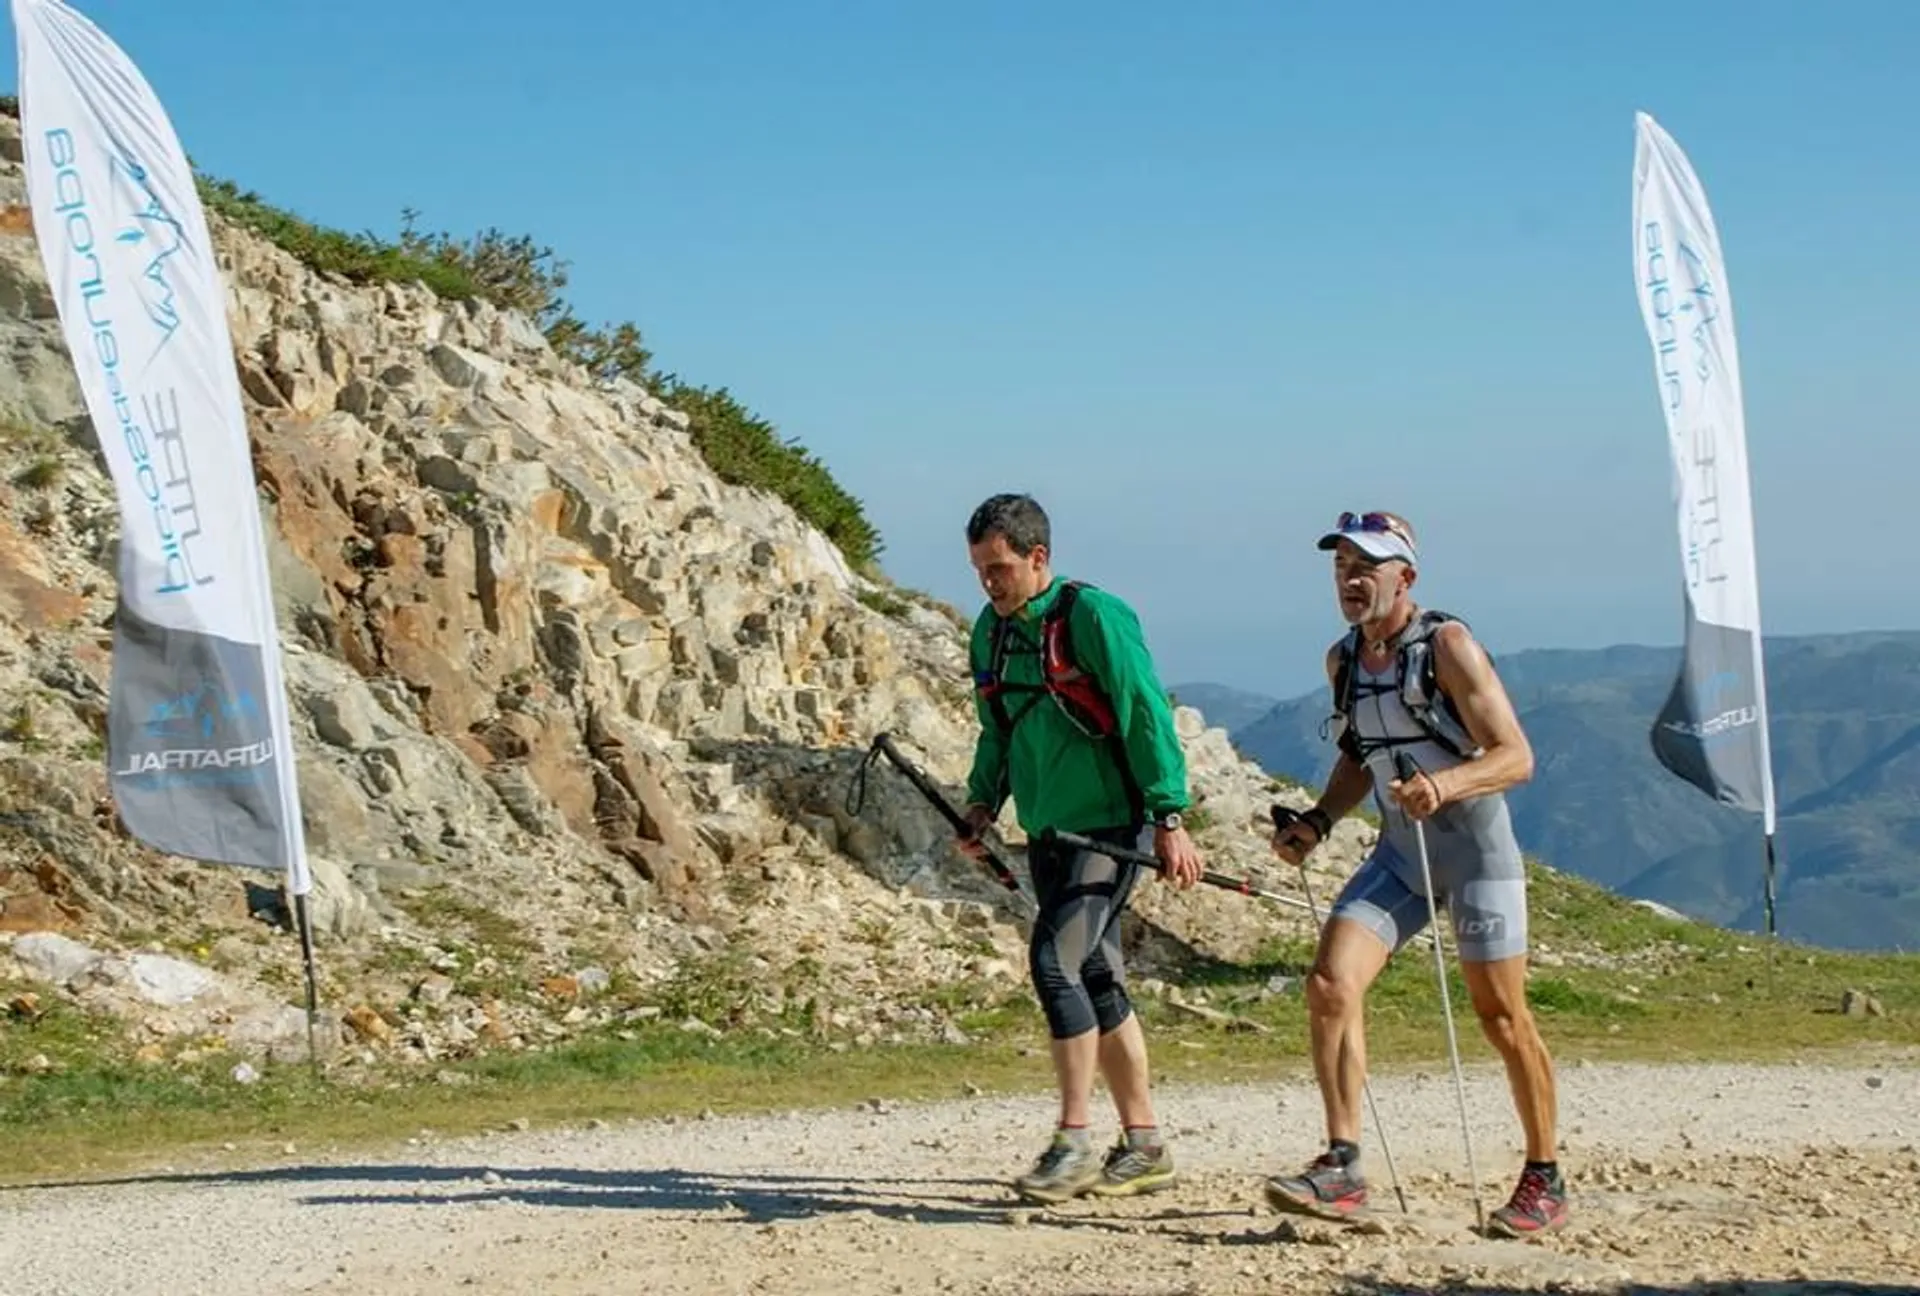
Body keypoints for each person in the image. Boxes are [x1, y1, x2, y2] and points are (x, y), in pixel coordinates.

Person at [1264, 509, 1568, 1238]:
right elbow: (1356, 759)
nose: (1350, 578)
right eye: (1341, 566)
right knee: (1330, 984)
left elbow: (1516, 757)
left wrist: (1446, 786)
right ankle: (1341, 1167)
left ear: (1407, 576)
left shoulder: (1450, 647)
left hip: (1476, 854)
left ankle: (1544, 1176)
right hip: (1402, 854)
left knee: (1500, 1018)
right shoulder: (1342, 662)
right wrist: (1317, 822)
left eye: (1367, 566)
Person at [955, 492, 1204, 1205]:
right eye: (979, 570)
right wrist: (979, 805)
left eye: (999, 568)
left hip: (1110, 829)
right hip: (1046, 830)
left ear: (1039, 559)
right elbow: (996, 730)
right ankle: (1147, 1143)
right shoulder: (990, 632)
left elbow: (1144, 712)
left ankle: (1072, 1141)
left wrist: (1169, 815)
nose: (988, 583)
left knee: (1052, 964)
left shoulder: (1094, 616)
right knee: (1097, 974)